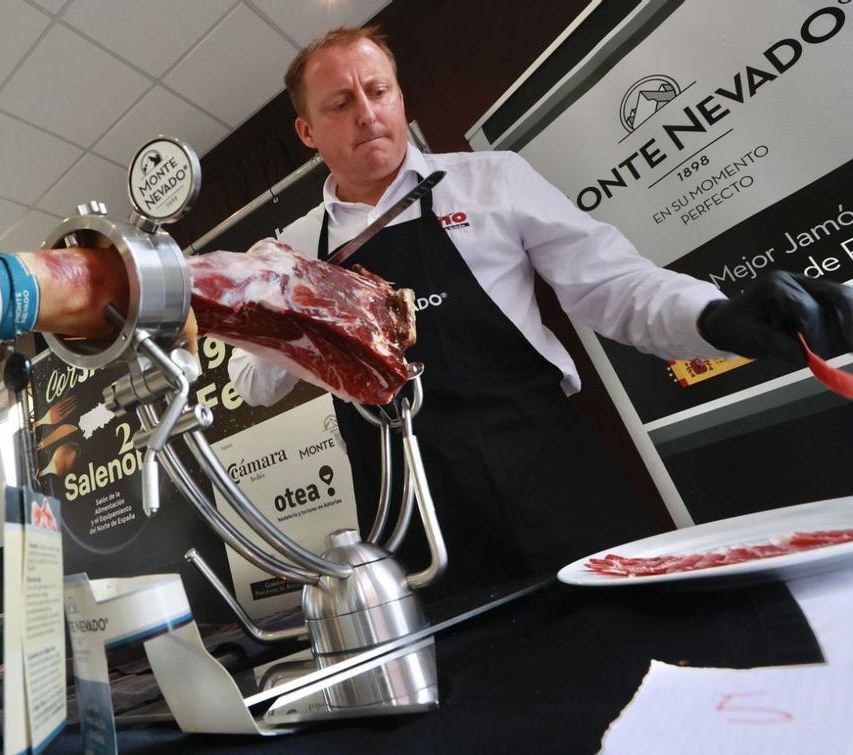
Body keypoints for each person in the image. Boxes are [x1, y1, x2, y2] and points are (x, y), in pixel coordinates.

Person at [228, 26, 853, 594]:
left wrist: (714, 318)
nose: (367, 114)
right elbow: (253, 384)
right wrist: (279, 310)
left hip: (548, 470)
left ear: (399, 98)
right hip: (414, 514)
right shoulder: (290, 250)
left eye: (378, 91)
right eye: (340, 103)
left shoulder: (492, 180)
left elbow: (614, 285)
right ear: (308, 132)